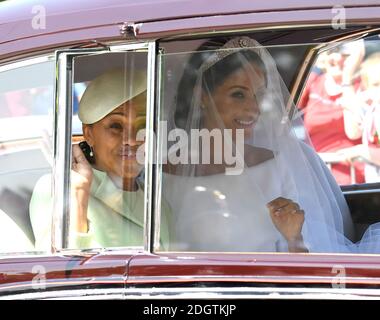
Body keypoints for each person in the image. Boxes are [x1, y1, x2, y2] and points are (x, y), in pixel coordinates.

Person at [160, 36, 364, 253]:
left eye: (259, 95)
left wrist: (294, 237)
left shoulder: (277, 163)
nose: (254, 108)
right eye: (238, 94)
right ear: (201, 96)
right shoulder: (164, 175)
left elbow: (304, 264)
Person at [30, 68, 171, 250]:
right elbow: (55, 271)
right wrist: (79, 194)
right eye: (115, 126)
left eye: (142, 124)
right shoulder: (57, 188)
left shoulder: (157, 201)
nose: (132, 138)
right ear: (89, 134)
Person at [298, 41, 366, 185]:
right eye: (333, 52)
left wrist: (347, 80)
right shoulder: (314, 82)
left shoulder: (364, 85)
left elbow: (354, 132)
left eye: (346, 55)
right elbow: (282, 116)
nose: (339, 58)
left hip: (352, 178)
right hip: (315, 175)